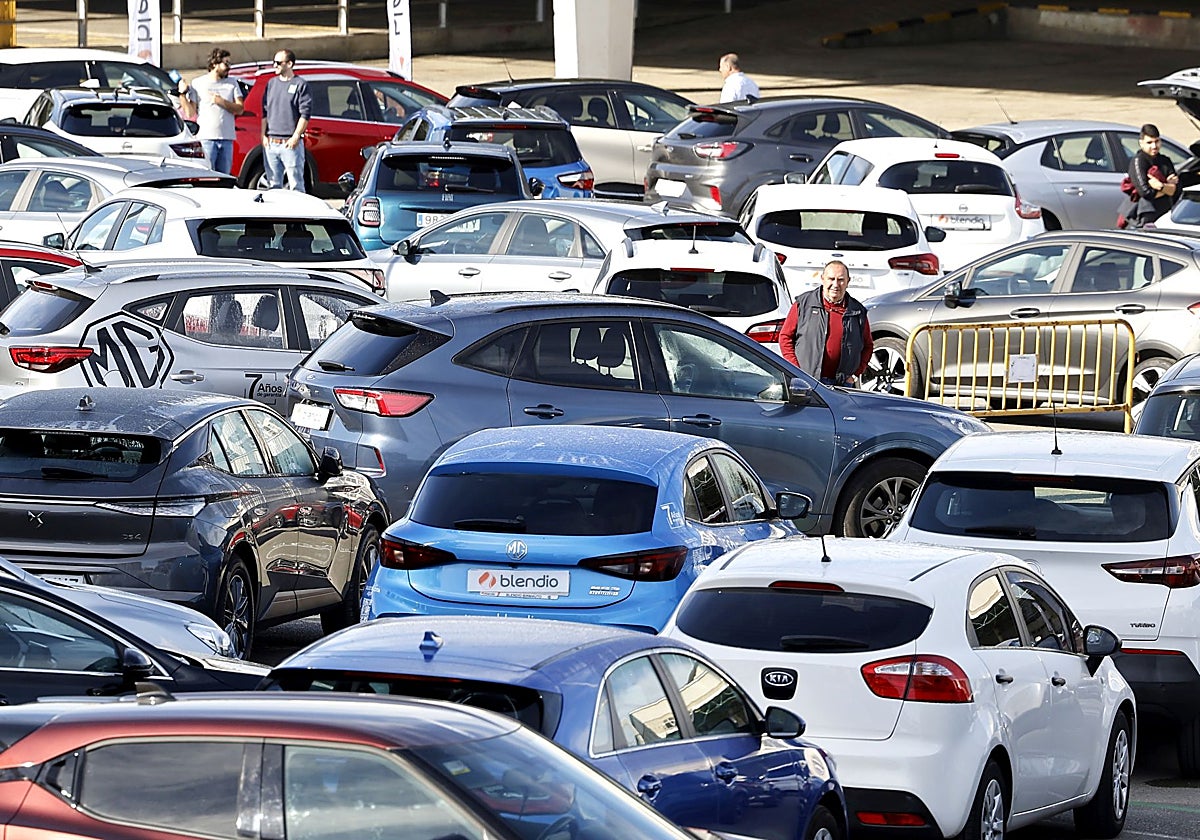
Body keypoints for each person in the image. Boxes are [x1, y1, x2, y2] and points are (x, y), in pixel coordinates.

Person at [778, 260, 873, 387]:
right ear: (822, 279)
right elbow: (785, 338)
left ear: (848, 282)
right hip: (807, 381)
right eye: (831, 279)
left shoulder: (857, 311)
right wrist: (796, 370)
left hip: (842, 385)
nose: (835, 284)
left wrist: (855, 374)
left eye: (840, 280)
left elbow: (868, 346)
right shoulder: (804, 304)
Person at [177, 48, 244, 174]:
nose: (229, 67)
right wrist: (182, 94)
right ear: (214, 65)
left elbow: (240, 109)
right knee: (206, 175)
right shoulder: (199, 83)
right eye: (226, 63)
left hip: (227, 138)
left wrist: (221, 102)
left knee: (224, 177)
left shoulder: (232, 83)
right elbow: (190, 112)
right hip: (206, 138)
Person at [260, 49, 312, 191]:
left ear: (289, 64)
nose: (274, 66)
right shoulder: (271, 84)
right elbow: (265, 112)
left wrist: (295, 137)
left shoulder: (300, 85)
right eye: (273, 62)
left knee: (296, 185)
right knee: (273, 185)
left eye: (278, 63)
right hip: (271, 143)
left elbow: (305, 114)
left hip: (290, 145)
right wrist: (263, 135)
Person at [1127, 123, 1179, 228]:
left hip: (1166, 214)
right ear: (1141, 143)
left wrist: (1160, 186)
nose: (1154, 146)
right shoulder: (1138, 161)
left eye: (1157, 141)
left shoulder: (1165, 161)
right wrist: (1166, 188)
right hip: (1145, 215)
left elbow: (1175, 190)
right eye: (1149, 142)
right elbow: (1145, 193)